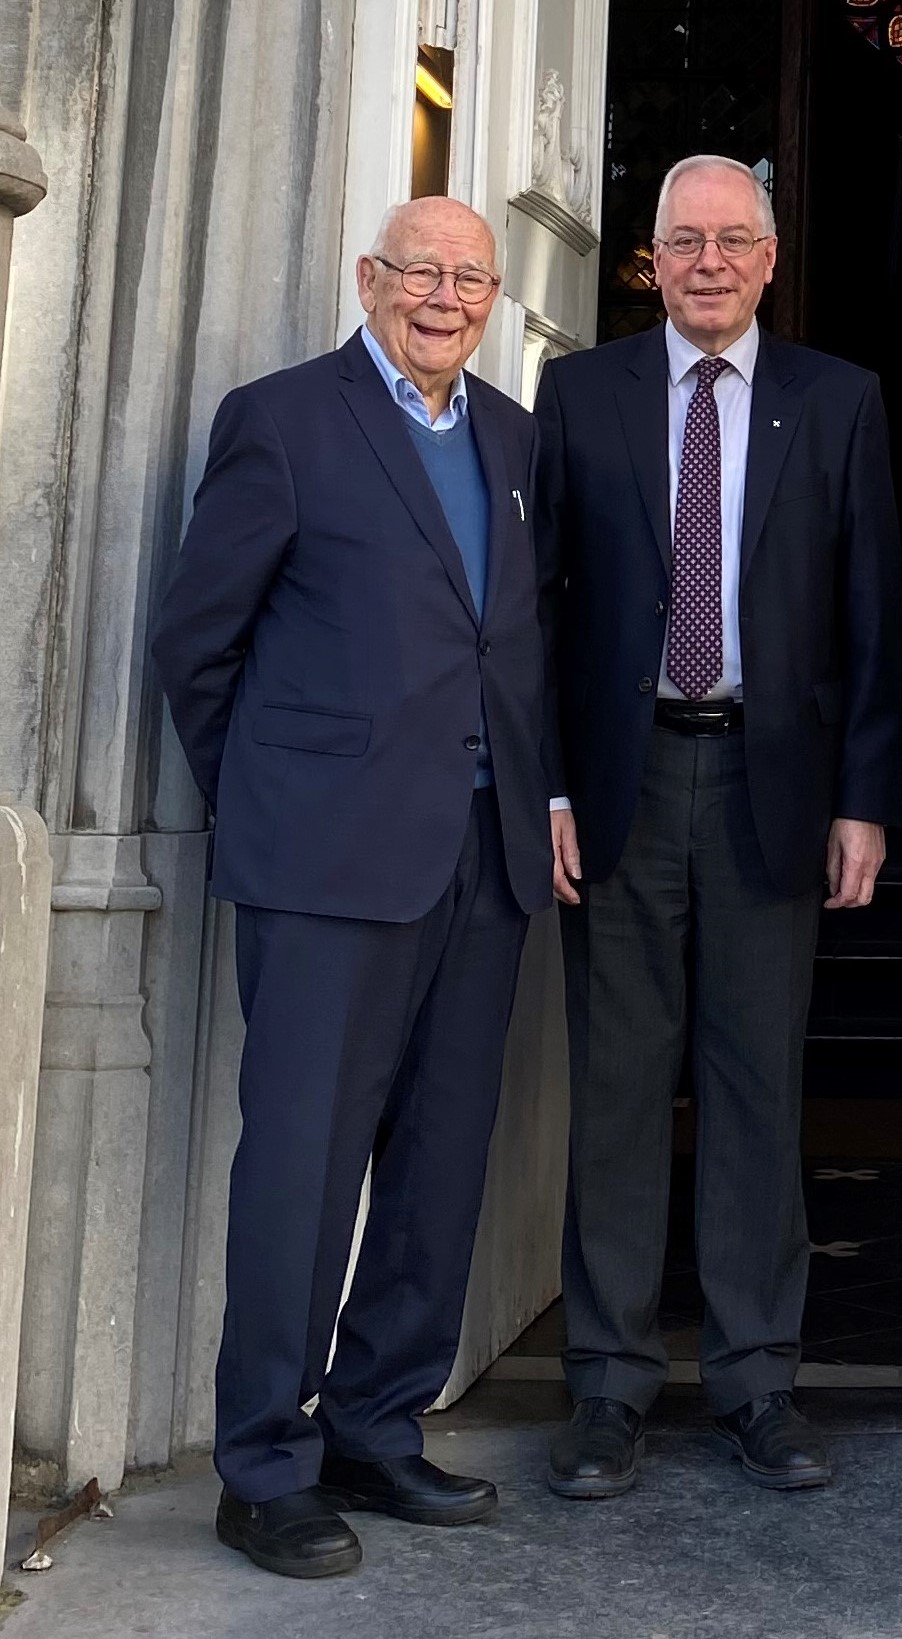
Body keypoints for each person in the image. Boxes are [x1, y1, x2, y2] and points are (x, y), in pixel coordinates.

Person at [153, 197, 556, 1578]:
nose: (442, 297)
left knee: (440, 1170)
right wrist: (272, 807)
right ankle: (262, 1464)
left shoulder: (510, 436)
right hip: (327, 866)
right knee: (302, 1174)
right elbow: (199, 646)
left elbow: (514, 646)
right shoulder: (283, 420)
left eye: (469, 278)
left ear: (495, 299)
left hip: (483, 857)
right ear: (368, 278)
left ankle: (377, 1429)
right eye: (418, 271)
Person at [534, 154, 902, 1497]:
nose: (706, 262)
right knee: (621, 1094)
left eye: (730, 241)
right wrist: (553, 789)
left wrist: (866, 796)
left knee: (758, 1091)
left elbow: (872, 617)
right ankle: (609, 1387)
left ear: (768, 257)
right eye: (682, 241)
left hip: (773, 784)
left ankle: (758, 1381)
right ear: (649, 257)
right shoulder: (578, 394)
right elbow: (539, 610)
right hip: (624, 781)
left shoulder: (838, 400)